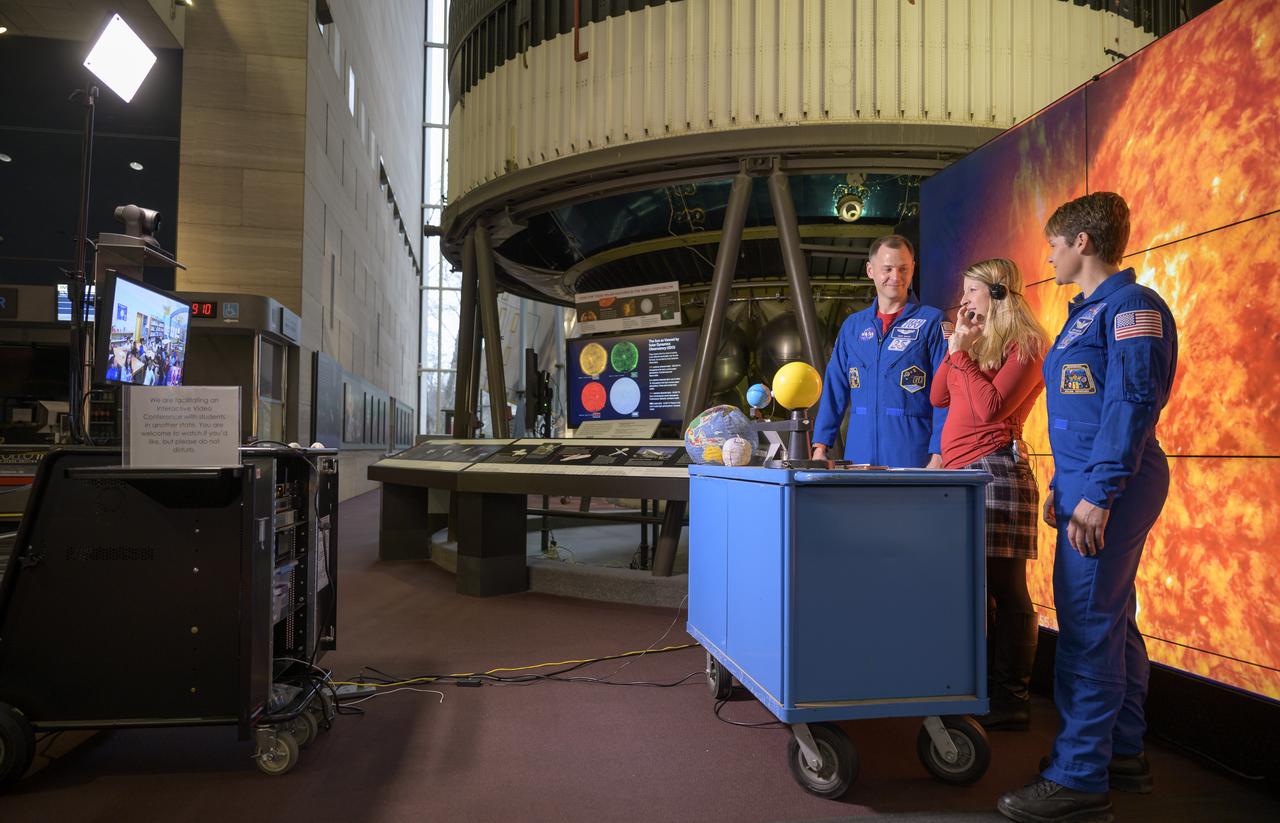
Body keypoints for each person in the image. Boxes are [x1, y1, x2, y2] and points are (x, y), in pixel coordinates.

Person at [997, 192, 1177, 823]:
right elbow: (1081, 411)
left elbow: (1130, 406)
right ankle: (1122, 753)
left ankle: (1079, 778)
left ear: (1083, 243)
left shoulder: (1132, 309)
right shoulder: (1086, 313)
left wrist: (1097, 494)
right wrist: (1062, 489)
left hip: (1115, 485)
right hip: (1087, 483)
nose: (1048, 255)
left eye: (1054, 243)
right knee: (1113, 621)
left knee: (1088, 628)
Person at [929, 258, 1048, 731]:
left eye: (971, 293)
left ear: (998, 294)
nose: (963, 302)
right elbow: (938, 396)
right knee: (976, 588)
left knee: (1006, 586)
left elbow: (989, 411)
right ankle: (981, 687)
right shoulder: (977, 347)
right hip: (963, 475)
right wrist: (959, 347)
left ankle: (1012, 698)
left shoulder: (1027, 345)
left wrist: (961, 356)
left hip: (996, 472)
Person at [813, 234, 948, 468]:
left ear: (913, 269)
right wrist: (820, 446)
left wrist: (939, 453)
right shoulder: (852, 327)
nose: (895, 277)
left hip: (914, 457)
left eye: (903, 269)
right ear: (870, 270)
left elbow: (947, 393)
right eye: (887, 269)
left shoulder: (932, 322)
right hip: (859, 455)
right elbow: (834, 390)